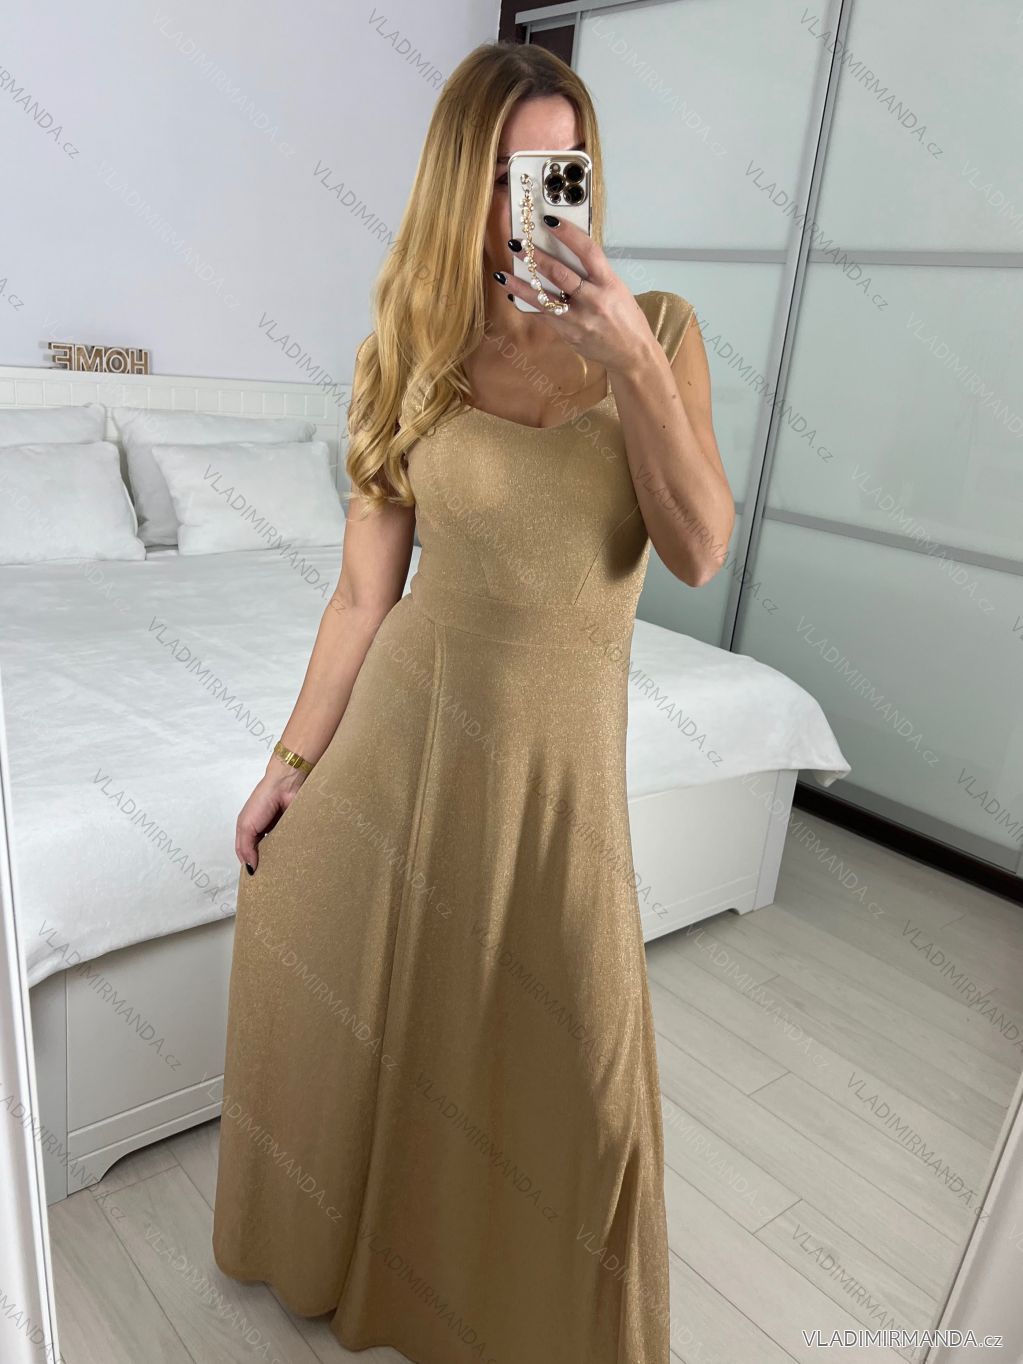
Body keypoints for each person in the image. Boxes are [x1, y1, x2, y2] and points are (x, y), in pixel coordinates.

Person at [211, 38, 733, 1364]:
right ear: (460, 185)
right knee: (372, 1009)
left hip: (565, 781)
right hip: (414, 747)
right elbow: (361, 600)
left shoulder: (662, 331)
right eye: (505, 176)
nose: (534, 203)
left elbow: (698, 549)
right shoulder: (414, 356)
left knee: (585, 1082)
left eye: (561, 170)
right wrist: (287, 767)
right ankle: (378, 1270)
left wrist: (631, 361)